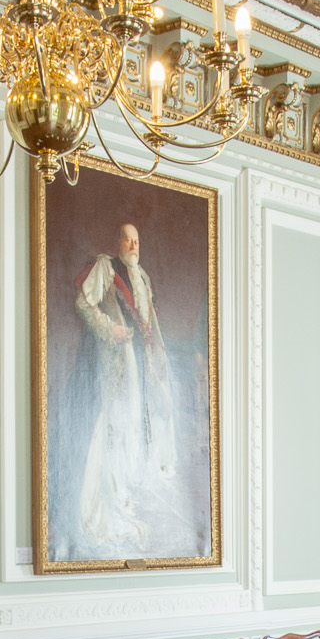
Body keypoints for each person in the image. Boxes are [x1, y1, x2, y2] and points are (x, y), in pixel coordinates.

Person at [61, 222, 194, 560]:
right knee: (115, 427)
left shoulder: (143, 278)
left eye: (137, 241)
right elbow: (83, 303)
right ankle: (113, 496)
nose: (133, 246)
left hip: (141, 363)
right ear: (118, 241)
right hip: (116, 362)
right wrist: (111, 329)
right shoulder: (106, 268)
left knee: (136, 428)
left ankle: (126, 492)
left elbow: (151, 323)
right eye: (128, 240)